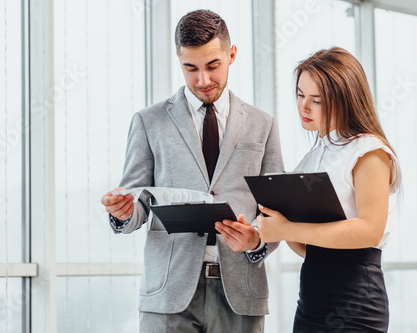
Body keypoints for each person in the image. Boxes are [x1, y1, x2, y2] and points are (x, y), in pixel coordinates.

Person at [101, 9, 284, 333]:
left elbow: (276, 212)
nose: (203, 80)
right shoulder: (149, 122)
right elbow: (137, 201)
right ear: (179, 60)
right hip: (168, 295)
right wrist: (123, 212)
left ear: (231, 55)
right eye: (191, 68)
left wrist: (256, 240)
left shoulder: (263, 125)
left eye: (213, 66)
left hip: (240, 294)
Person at [252, 47, 401, 332]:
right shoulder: (310, 159)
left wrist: (286, 230)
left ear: (345, 100)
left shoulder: (369, 150)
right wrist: (275, 226)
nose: (303, 107)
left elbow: (370, 229)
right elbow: (308, 246)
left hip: (356, 303)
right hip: (310, 302)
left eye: (317, 100)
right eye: (300, 94)